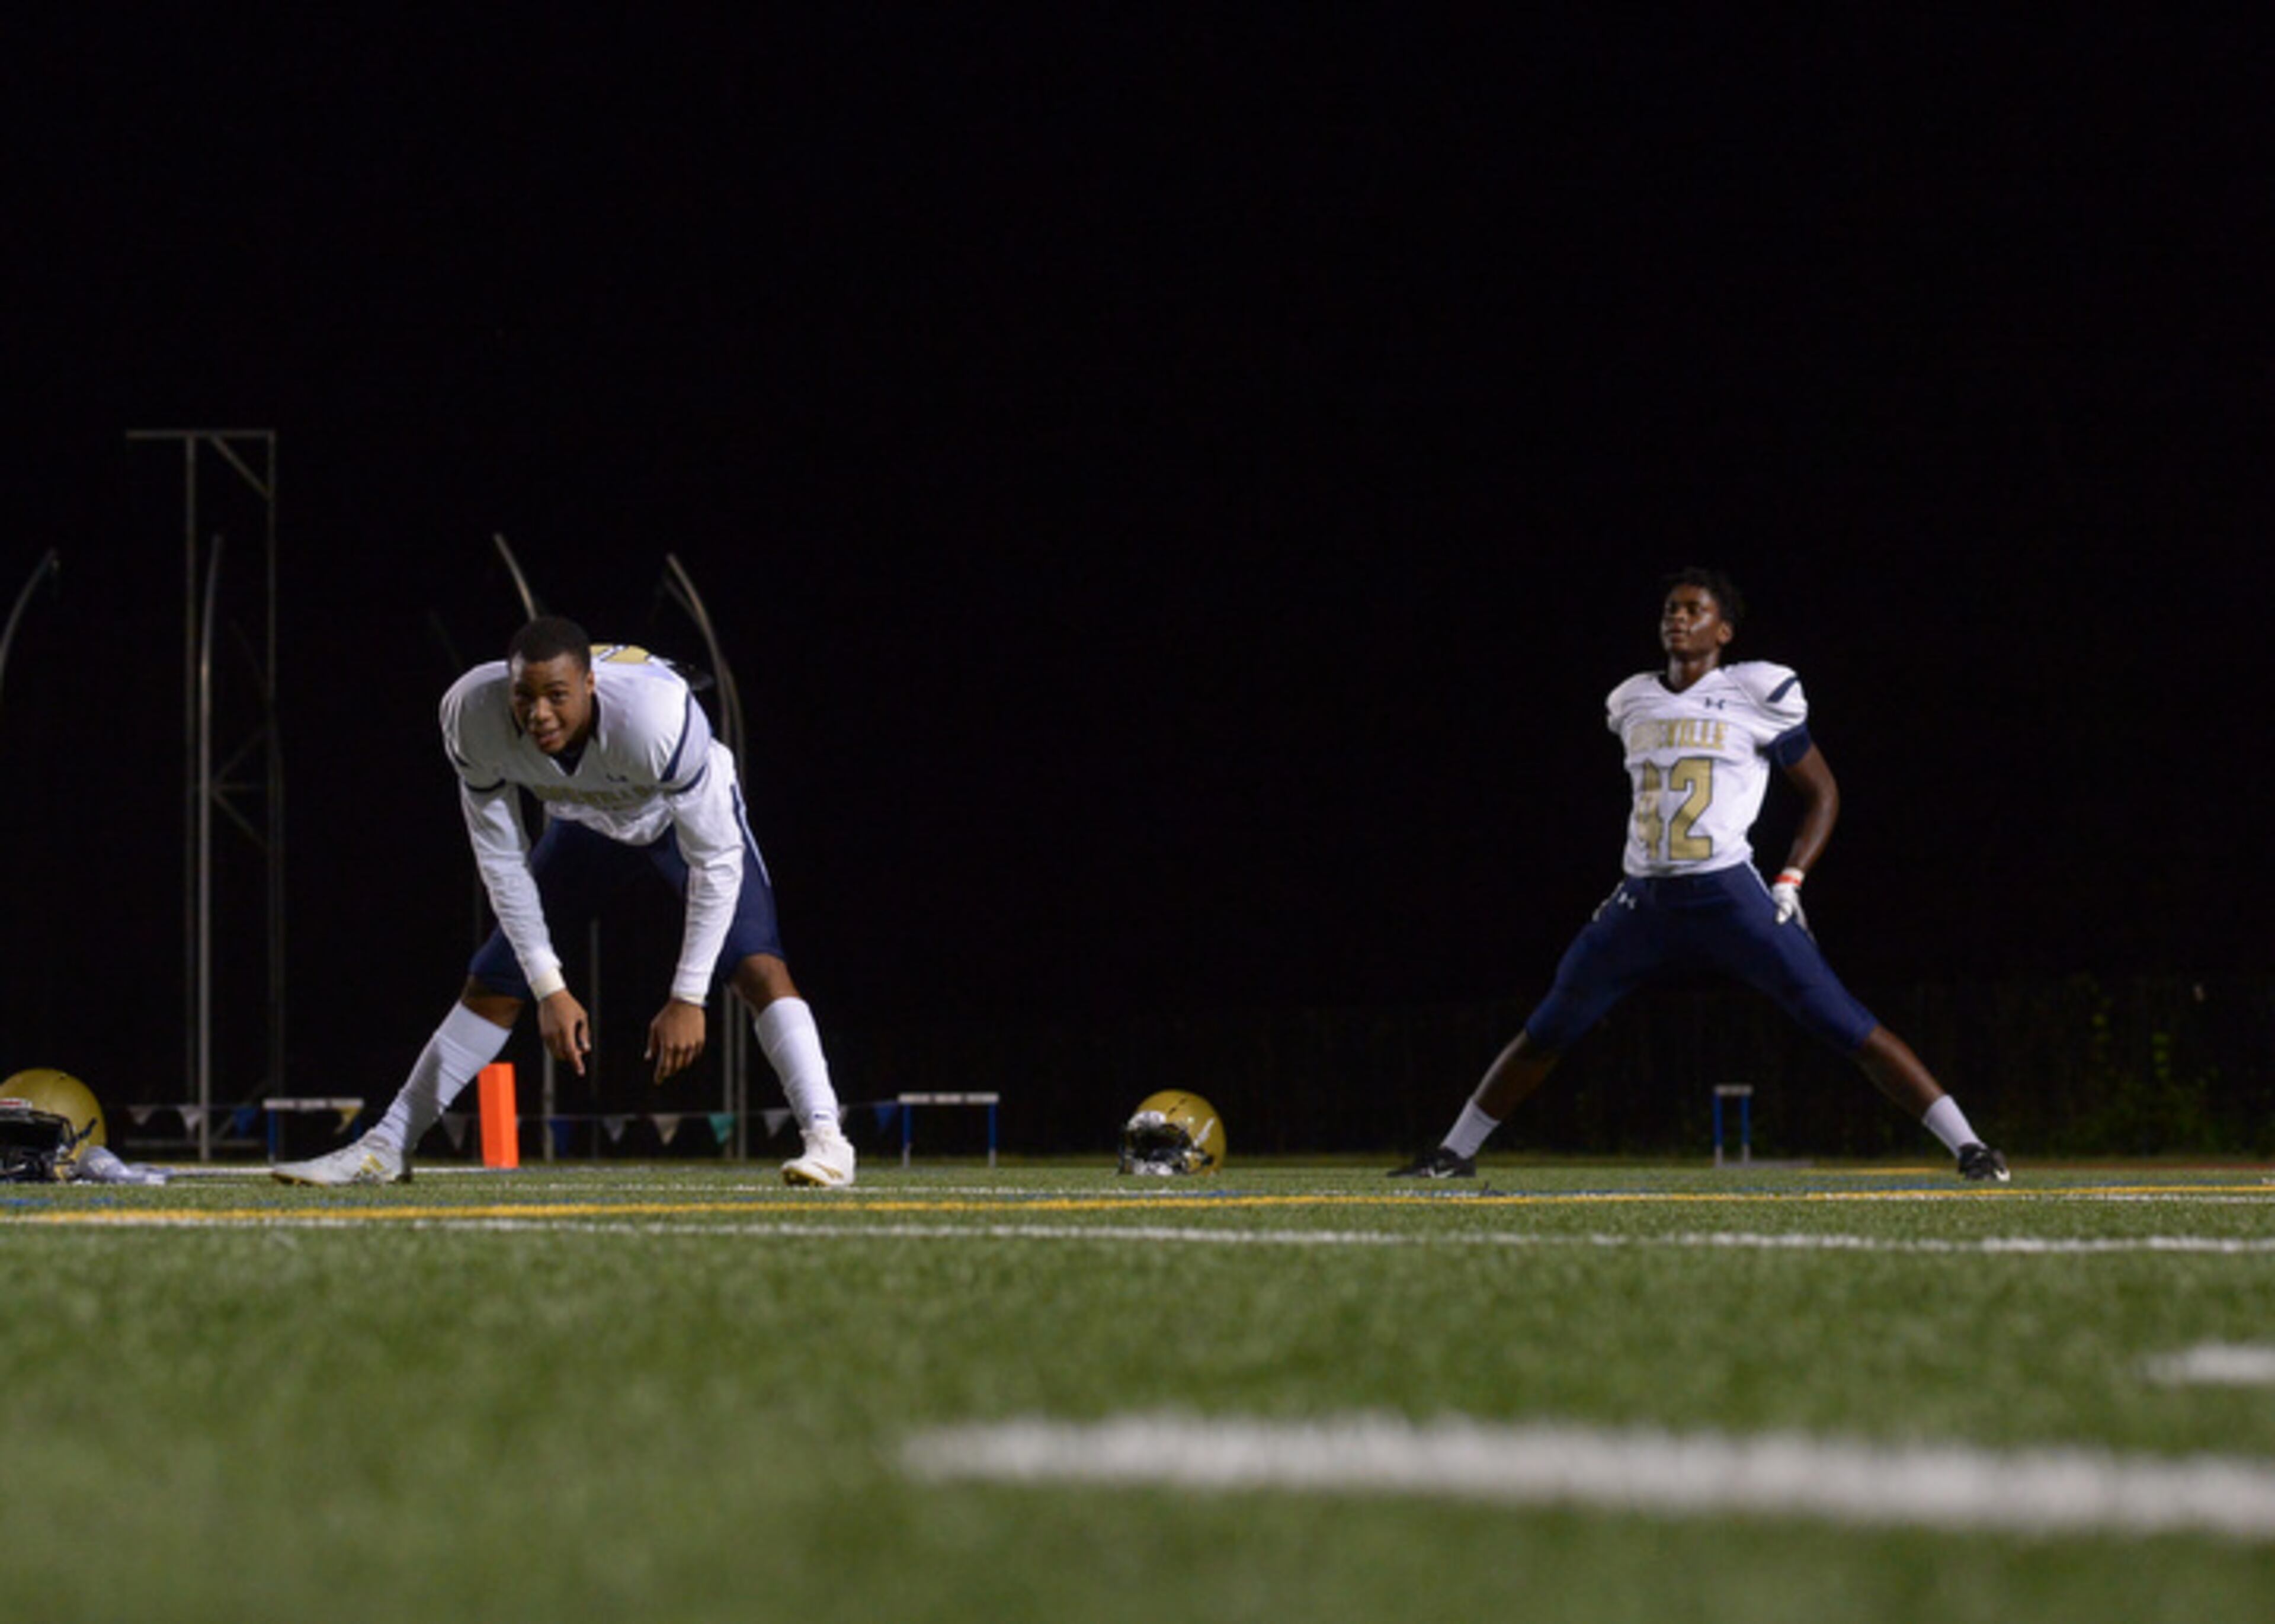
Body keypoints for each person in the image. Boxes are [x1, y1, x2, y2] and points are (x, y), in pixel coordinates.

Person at [1391, 568, 2008, 1183]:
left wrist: (1792, 876)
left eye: (1694, 609)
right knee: (1551, 1022)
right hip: (1645, 899)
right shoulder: (1631, 698)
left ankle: (1971, 1147)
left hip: (1728, 893)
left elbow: (1823, 793)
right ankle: (1453, 1152)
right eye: (1670, 608)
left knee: (1841, 1019)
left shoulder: (1757, 691)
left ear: (1725, 629)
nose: (1678, 618)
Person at [275, 616, 855, 1188]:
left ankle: (828, 1139)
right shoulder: (471, 714)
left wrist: (687, 995)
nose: (539, 714)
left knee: (757, 964)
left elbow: (717, 861)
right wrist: (550, 987)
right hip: (584, 823)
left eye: (557, 695)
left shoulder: (656, 719)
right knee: (496, 981)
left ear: (591, 685)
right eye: (524, 696)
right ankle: (387, 1146)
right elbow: (501, 860)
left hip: (673, 823)